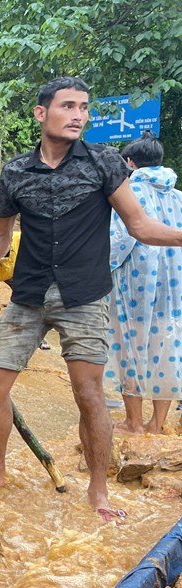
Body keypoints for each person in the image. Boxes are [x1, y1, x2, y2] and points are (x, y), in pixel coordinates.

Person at [0, 76, 182, 523]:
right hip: (29, 293)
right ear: (41, 113)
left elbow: (139, 225)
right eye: (68, 106)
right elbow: (0, 235)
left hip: (84, 295)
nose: (78, 115)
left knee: (88, 393)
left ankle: (98, 490)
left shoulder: (103, 162)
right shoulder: (16, 171)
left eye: (84, 108)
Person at [106, 132, 182, 434]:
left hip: (135, 284)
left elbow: (119, 241)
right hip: (174, 287)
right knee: (167, 345)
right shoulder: (178, 196)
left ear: (130, 162)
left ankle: (133, 422)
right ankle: (157, 424)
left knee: (130, 346)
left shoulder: (129, 191)